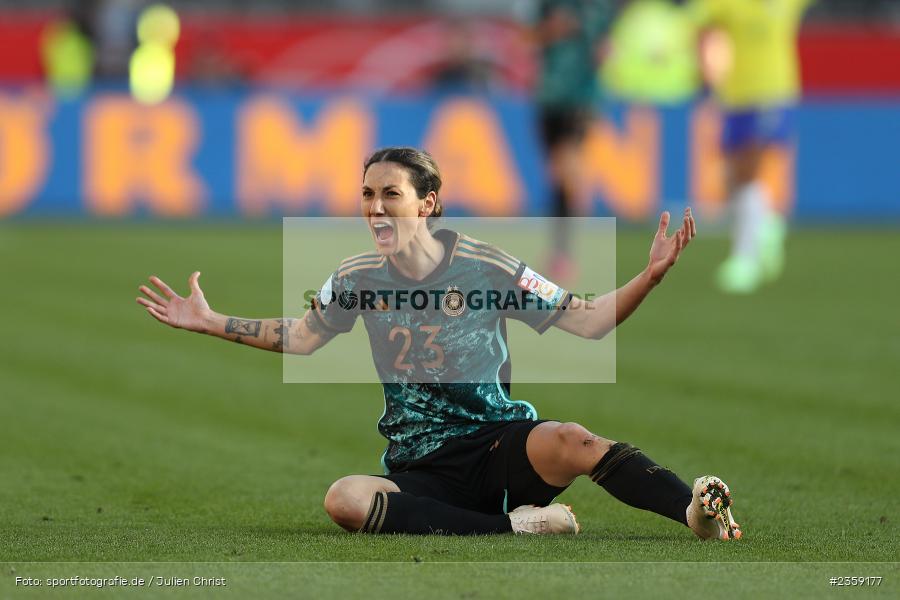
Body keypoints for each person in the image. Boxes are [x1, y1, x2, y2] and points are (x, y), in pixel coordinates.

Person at [137, 147, 740, 539]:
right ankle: (516, 528)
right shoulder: (355, 279)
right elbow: (301, 337)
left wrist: (650, 276)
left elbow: (587, 321)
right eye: (367, 195)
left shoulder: (486, 266)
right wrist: (211, 320)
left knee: (574, 439)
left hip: (499, 442)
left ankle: (692, 511)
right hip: (420, 462)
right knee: (345, 500)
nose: (375, 208)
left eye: (389, 195)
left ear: (426, 203)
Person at [690, 0, 814, 293]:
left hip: (773, 92)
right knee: (734, 177)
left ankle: (745, 257)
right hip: (736, 94)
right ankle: (767, 223)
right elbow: (700, 26)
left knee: (747, 171)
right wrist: (706, 68)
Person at [533, 0, 619, 283]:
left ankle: (566, 253)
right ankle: (563, 251)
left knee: (569, 171)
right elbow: (530, 36)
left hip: (579, 99)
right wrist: (554, 30)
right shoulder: (551, 4)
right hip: (549, 97)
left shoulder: (600, 8)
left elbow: (608, 46)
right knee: (558, 178)